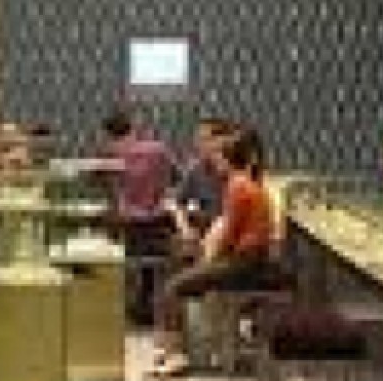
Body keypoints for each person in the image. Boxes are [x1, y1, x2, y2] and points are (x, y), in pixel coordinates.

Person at [151, 124, 275, 376]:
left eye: (219, 155)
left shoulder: (237, 185)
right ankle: (193, 345)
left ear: (228, 159)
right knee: (181, 270)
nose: (214, 158)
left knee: (173, 287)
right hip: (246, 258)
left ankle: (178, 354)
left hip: (243, 262)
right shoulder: (246, 183)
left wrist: (207, 259)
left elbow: (228, 235)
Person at [101, 111, 175, 327]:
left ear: (108, 134)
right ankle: (148, 304)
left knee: (113, 246)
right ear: (133, 128)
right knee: (153, 261)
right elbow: (175, 177)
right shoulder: (159, 150)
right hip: (157, 227)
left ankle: (121, 304)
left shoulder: (109, 154)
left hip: (127, 228)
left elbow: (101, 185)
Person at [168, 118, 235, 258]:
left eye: (205, 139)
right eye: (198, 140)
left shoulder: (238, 171)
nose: (198, 145)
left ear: (222, 141)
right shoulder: (196, 169)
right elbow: (175, 202)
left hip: (231, 237)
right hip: (205, 234)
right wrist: (185, 229)